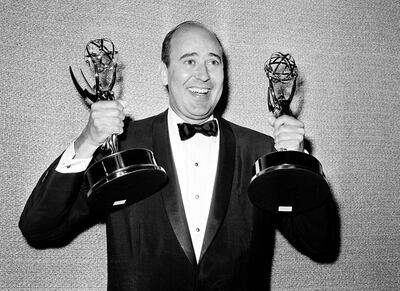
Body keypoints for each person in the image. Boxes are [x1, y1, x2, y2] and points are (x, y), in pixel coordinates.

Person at [19, 21, 340, 290]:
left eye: (214, 62)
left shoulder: (261, 149)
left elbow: (322, 245)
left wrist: (298, 162)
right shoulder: (120, 145)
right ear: (164, 72)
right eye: (189, 61)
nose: (203, 75)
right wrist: (87, 140)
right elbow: (40, 227)